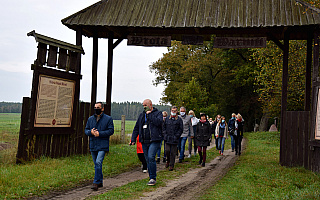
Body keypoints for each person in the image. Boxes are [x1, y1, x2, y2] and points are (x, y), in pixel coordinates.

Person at [130, 99, 163, 186]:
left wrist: (150, 115)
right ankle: (150, 176)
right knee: (147, 159)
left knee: (151, 156)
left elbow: (159, 123)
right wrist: (133, 139)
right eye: (143, 105)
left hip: (154, 140)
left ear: (150, 105)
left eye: (145, 105)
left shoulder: (158, 113)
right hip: (144, 140)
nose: (144, 107)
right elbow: (136, 127)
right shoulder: (141, 115)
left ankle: (153, 178)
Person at [85, 102, 114, 191]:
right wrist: (91, 132)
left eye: (98, 107)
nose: (96, 109)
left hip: (102, 144)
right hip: (93, 144)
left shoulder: (108, 119)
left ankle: (96, 182)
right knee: (96, 164)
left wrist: (100, 134)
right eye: (95, 107)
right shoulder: (90, 119)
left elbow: (111, 131)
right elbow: (86, 130)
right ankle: (100, 181)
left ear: (102, 109)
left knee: (98, 162)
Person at [163, 106, 183, 171]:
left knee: (173, 152)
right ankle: (168, 160)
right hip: (168, 138)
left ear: (177, 112)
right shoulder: (167, 119)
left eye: (174, 111)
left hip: (175, 138)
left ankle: (171, 165)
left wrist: (177, 136)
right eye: (172, 110)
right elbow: (164, 128)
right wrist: (165, 135)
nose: (173, 112)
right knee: (167, 151)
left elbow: (180, 129)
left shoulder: (179, 119)